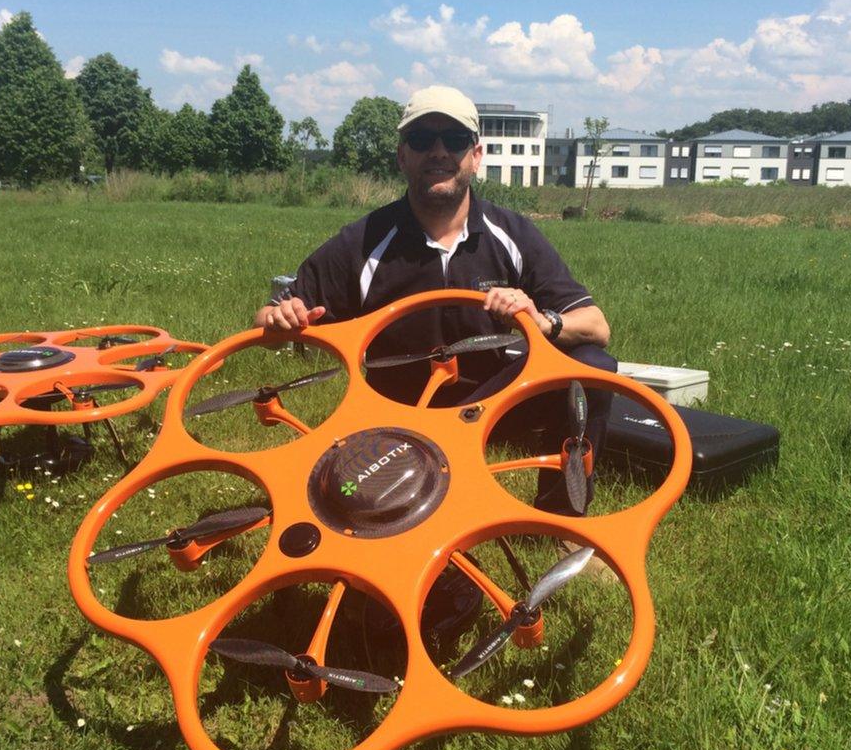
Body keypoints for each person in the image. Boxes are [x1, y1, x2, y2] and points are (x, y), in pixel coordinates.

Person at [256, 86, 617, 635]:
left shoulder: (510, 234)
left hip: (493, 403)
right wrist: (278, 321)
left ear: (476, 154)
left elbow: (596, 324)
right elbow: (274, 315)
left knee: (592, 367)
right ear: (403, 155)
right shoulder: (365, 241)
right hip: (401, 422)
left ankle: (562, 519)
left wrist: (541, 321)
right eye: (423, 139)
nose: (438, 151)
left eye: (453, 139)